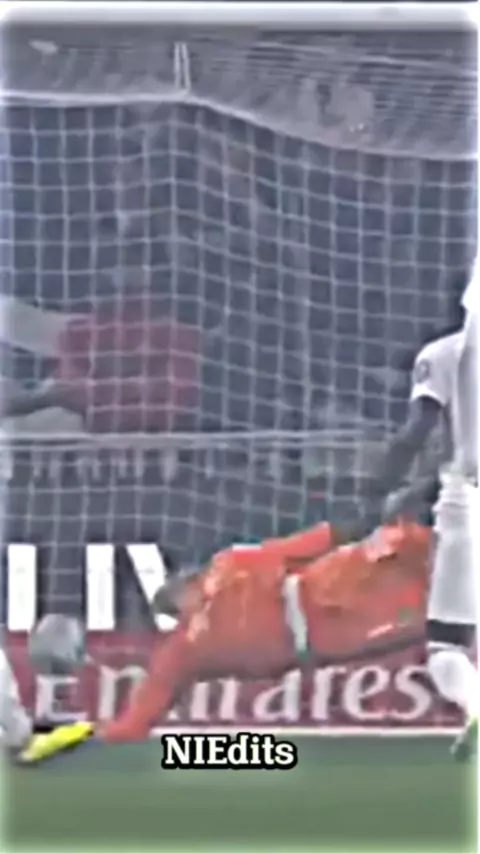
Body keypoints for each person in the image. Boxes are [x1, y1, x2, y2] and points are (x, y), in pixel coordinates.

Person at [18, 515, 430, 760]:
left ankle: (445, 508)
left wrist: (351, 526)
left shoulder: (228, 564)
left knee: (408, 537)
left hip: (325, 588)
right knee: (430, 616)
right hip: (323, 631)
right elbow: (134, 723)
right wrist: (82, 734)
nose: (173, 588)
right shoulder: (181, 649)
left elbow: (307, 543)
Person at [0, 295, 202, 433]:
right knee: (20, 321)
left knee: (35, 427)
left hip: (85, 413)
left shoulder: (172, 393)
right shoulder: (113, 334)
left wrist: (38, 398)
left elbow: (94, 413)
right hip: (80, 370)